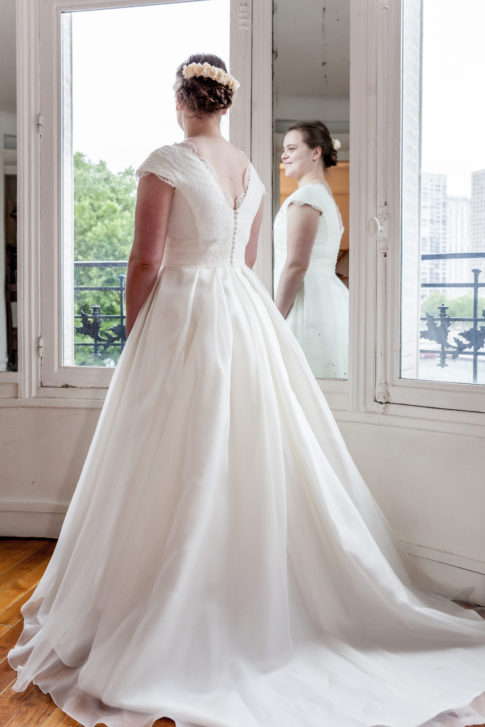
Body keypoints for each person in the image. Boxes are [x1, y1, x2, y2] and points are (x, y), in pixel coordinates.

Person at [7, 53, 485, 727]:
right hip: (242, 314)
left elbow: (144, 260)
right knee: (247, 446)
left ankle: (178, 600)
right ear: (225, 105)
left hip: (182, 314)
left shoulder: (167, 162)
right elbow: (251, 258)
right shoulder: (254, 173)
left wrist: (136, 330)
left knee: (173, 452)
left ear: (181, 102)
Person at [274, 120, 349, 379]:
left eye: (292, 148)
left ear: (316, 152)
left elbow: (296, 265)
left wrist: (275, 317)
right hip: (327, 300)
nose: (284, 155)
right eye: (284, 149)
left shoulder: (308, 197)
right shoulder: (323, 195)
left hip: (307, 304)